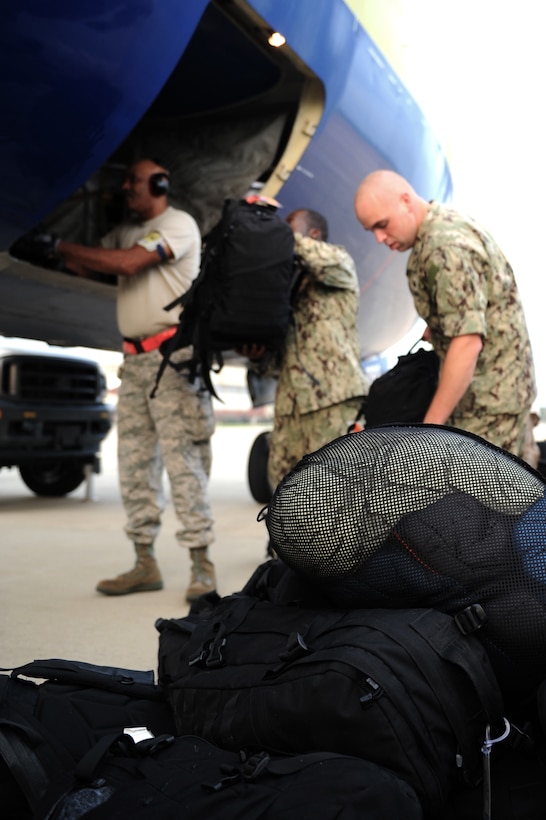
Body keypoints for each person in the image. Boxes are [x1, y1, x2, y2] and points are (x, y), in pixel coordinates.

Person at [33, 158, 216, 602]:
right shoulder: (122, 234)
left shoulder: (178, 225)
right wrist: (50, 253)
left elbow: (131, 264)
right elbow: (100, 265)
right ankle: (144, 562)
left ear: (159, 184)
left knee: (183, 465)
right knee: (134, 465)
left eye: (133, 181)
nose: (126, 189)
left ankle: (201, 566)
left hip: (172, 359)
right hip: (134, 364)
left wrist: (60, 245)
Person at [354, 169, 538, 464]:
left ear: (405, 200)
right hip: (496, 394)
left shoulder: (444, 247)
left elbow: (466, 343)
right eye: (371, 230)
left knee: (476, 503)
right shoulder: (440, 231)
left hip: (487, 403)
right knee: (516, 499)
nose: (379, 238)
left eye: (382, 225)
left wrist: (431, 430)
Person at [244, 208, 368, 490]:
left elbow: (319, 258)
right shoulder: (285, 290)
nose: (282, 235)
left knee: (336, 493)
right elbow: (280, 361)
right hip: (291, 408)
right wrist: (257, 356)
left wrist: (269, 231)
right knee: (283, 492)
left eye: (290, 228)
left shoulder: (338, 267)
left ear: (313, 235)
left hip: (332, 404)